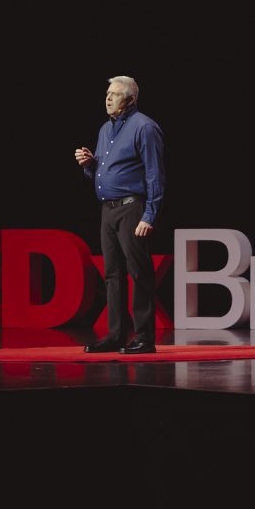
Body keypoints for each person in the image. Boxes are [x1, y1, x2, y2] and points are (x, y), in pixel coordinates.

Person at [74, 75, 166, 354]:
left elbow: (155, 174)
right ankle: (115, 335)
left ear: (130, 99)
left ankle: (144, 338)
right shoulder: (105, 130)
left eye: (115, 94)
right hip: (108, 209)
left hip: (132, 208)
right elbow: (103, 172)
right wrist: (90, 165)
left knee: (139, 272)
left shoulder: (145, 127)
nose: (108, 98)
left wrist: (149, 215)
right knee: (112, 274)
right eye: (107, 93)